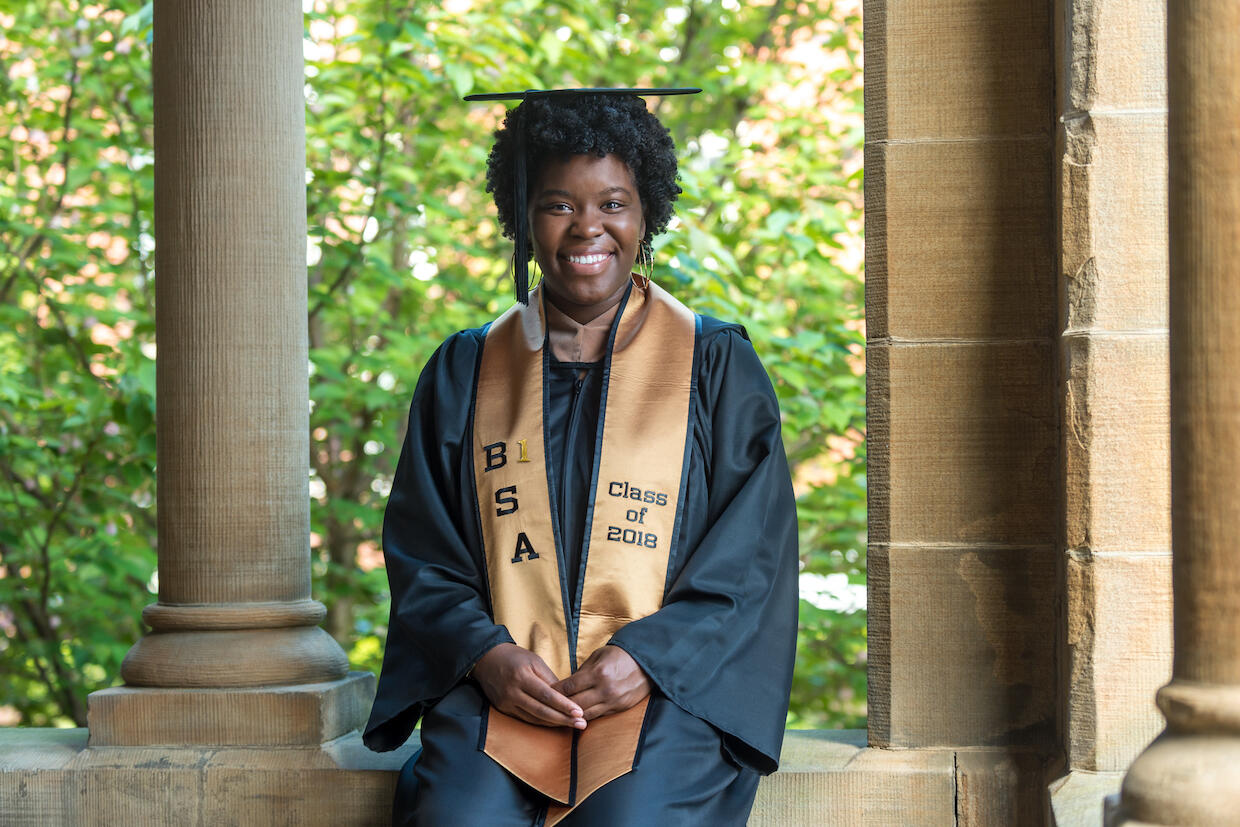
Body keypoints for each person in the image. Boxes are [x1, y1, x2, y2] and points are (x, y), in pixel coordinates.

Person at [363, 88, 799, 826]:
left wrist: (649, 658)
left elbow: (749, 559)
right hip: (501, 685)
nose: (586, 228)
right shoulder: (466, 370)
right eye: (559, 204)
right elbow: (423, 550)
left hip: (664, 692)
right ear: (523, 217)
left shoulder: (714, 366)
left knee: (629, 818)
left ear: (645, 213)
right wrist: (485, 656)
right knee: (460, 818)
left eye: (613, 204)